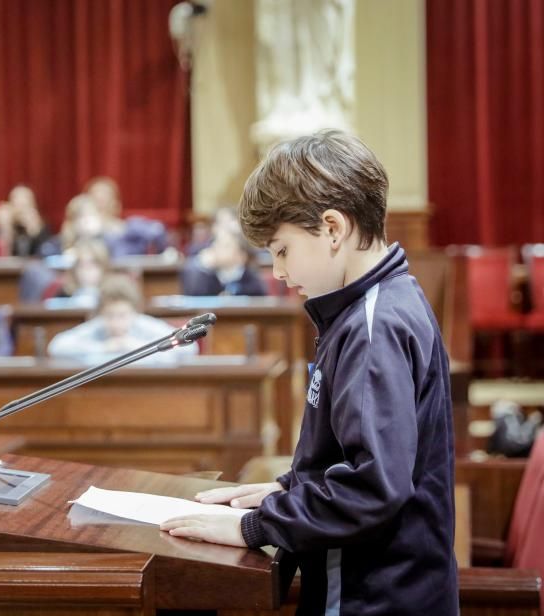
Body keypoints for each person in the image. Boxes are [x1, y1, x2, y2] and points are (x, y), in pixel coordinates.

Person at [159, 130, 458, 615]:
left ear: (333, 228)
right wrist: (289, 487)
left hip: (375, 595)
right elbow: (353, 451)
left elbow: (373, 487)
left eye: (281, 250)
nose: (277, 271)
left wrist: (252, 527)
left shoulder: (372, 324)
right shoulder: (378, 304)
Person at [47, 274, 197, 363]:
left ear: (134, 312)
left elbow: (189, 347)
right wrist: (104, 348)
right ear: (101, 313)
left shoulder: (144, 324)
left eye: (122, 315)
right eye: (110, 315)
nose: (116, 322)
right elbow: (56, 347)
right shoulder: (97, 326)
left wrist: (137, 347)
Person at [180, 227, 267, 296]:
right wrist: (202, 268)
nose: (216, 248)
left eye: (225, 246)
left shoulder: (252, 282)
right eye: (216, 243)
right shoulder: (206, 276)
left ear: (241, 255)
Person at [0, 184, 51, 257]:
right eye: (17, 201)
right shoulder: (4, 224)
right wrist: (5, 227)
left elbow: (47, 251)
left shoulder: (41, 225)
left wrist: (34, 229)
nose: (21, 206)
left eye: (25, 202)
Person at [49, 238, 110, 305]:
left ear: (103, 267)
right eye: (81, 265)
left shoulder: (112, 294)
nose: (86, 270)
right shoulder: (64, 294)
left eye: (92, 264)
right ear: (74, 269)